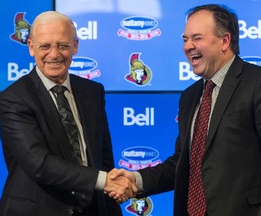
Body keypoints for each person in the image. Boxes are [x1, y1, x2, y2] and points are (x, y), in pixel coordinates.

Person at [110, 4, 261, 216]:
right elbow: (182, 164)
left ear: (224, 41)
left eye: (196, 38)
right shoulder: (189, 96)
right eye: (185, 39)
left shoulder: (256, 83)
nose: (188, 46)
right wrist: (136, 180)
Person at [0, 11, 137, 216]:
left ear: (75, 46)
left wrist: (112, 199)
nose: (54, 54)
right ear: (31, 47)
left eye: (63, 45)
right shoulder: (14, 98)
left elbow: (103, 159)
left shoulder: (93, 92)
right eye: (45, 46)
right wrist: (103, 181)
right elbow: (40, 164)